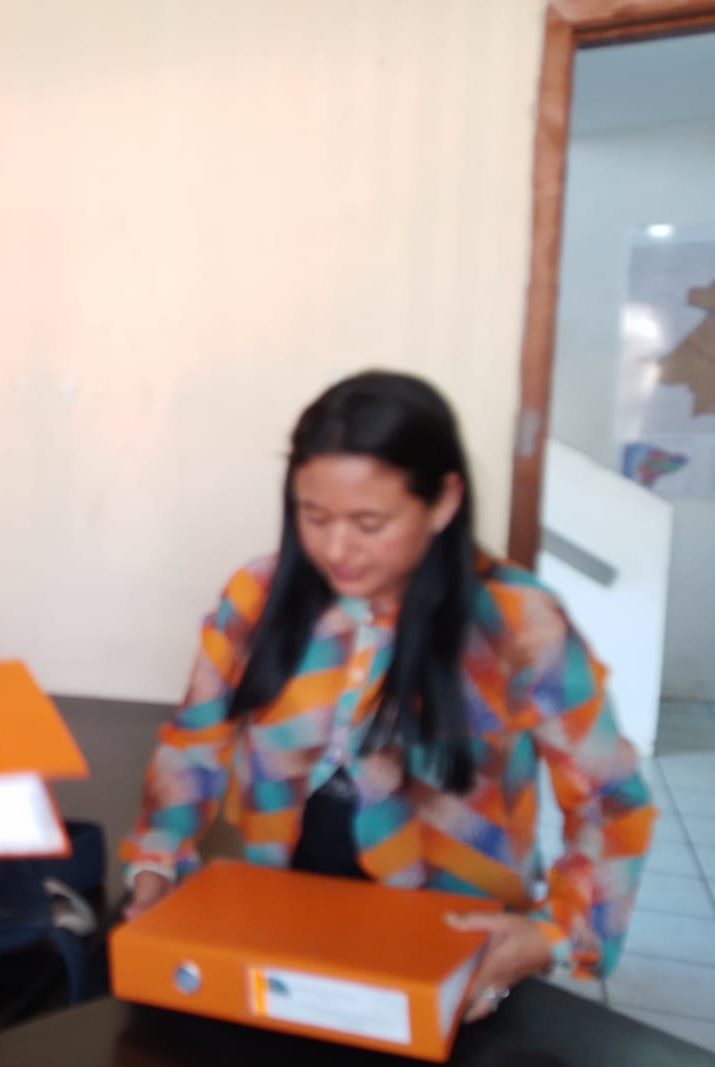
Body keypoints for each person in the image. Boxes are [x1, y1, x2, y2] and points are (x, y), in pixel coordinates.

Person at [120, 370, 654, 1019]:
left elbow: (611, 800)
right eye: (313, 516)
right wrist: (156, 860)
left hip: (451, 952)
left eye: (369, 522)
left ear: (443, 501)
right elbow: (192, 749)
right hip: (277, 931)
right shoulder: (257, 597)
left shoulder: (518, 623)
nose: (336, 547)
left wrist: (553, 933)